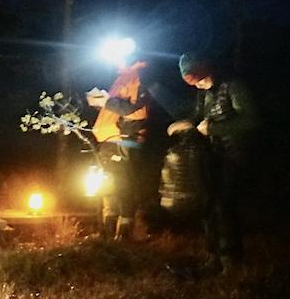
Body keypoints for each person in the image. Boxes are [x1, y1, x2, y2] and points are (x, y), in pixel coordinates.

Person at [168, 53, 259, 275]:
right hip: (212, 154)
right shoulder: (204, 93)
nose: (198, 84)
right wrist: (187, 124)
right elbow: (200, 117)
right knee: (208, 205)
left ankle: (231, 262)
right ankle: (214, 257)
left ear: (206, 68)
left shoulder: (232, 86)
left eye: (198, 78)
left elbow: (251, 120)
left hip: (234, 153)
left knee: (224, 205)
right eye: (192, 81)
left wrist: (216, 130)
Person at [87, 57, 151, 239]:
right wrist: (100, 101)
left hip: (123, 140)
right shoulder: (123, 77)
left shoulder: (139, 76)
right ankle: (107, 235)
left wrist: (105, 101)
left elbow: (136, 110)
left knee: (123, 187)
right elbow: (116, 108)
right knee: (108, 187)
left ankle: (123, 236)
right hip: (109, 140)